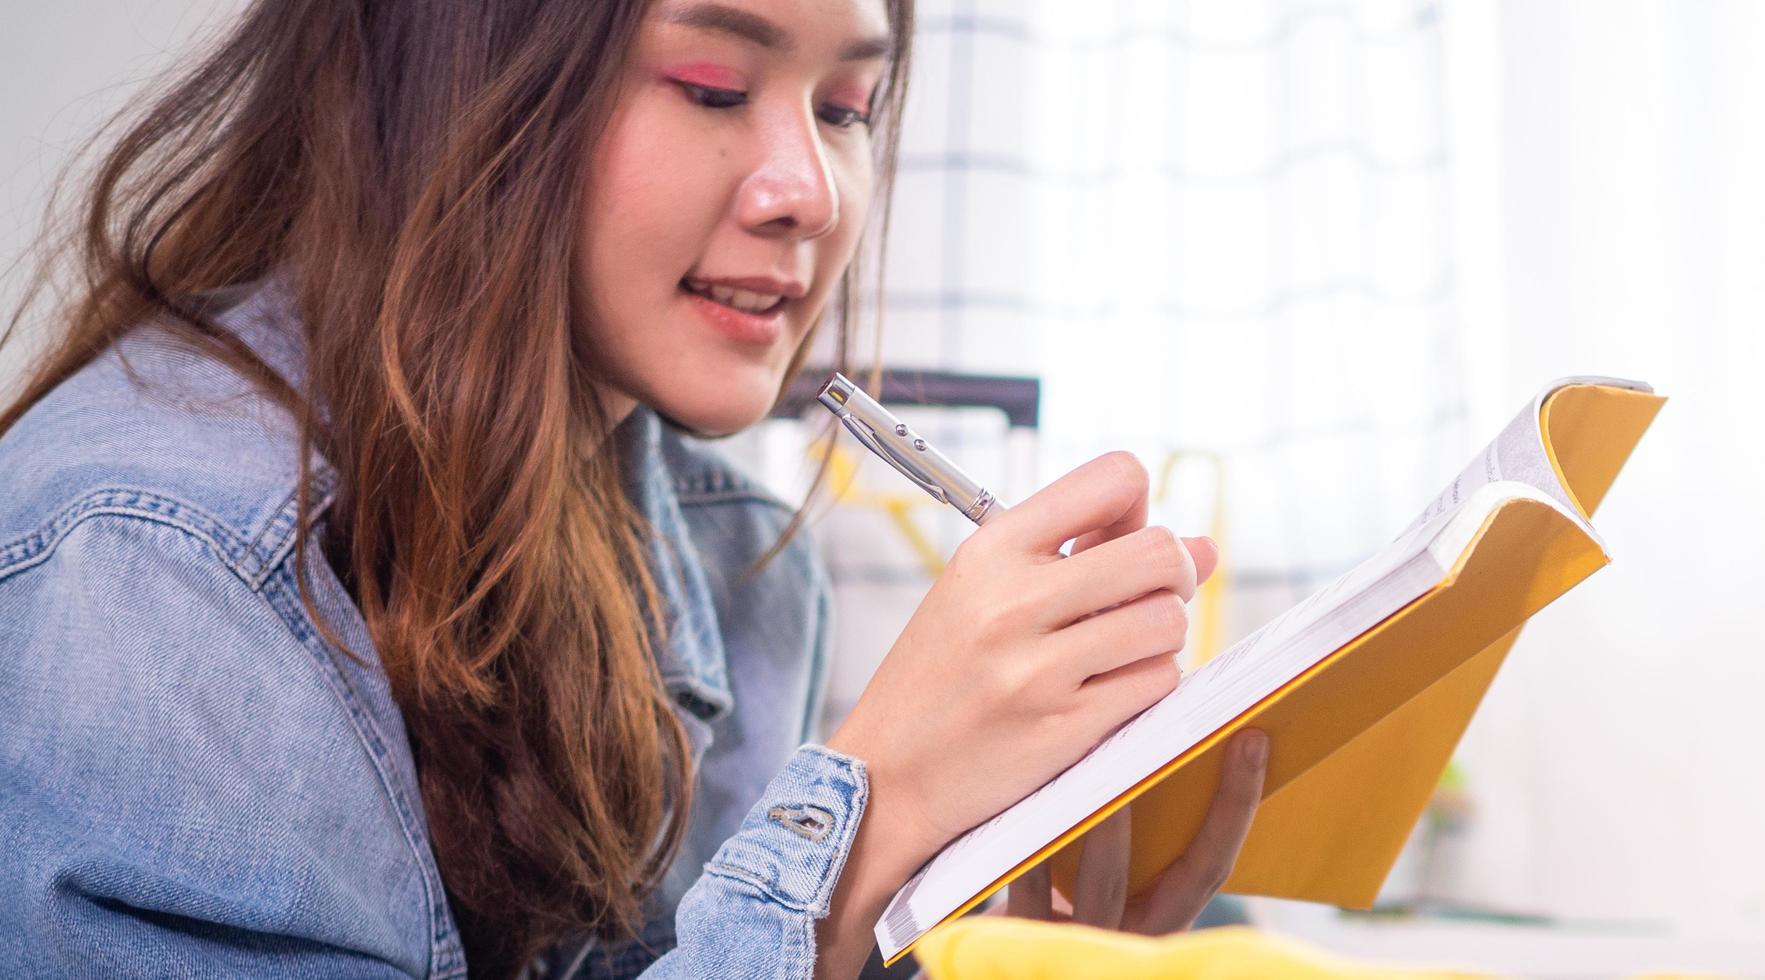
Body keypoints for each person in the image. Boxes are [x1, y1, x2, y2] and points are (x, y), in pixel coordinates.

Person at [0, 0, 1270, 977]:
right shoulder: (152, 564)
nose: (810, 195)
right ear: (454, 89)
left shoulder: (735, 550)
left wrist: (939, 911)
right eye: (714, 85)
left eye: (846, 107)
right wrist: (856, 838)